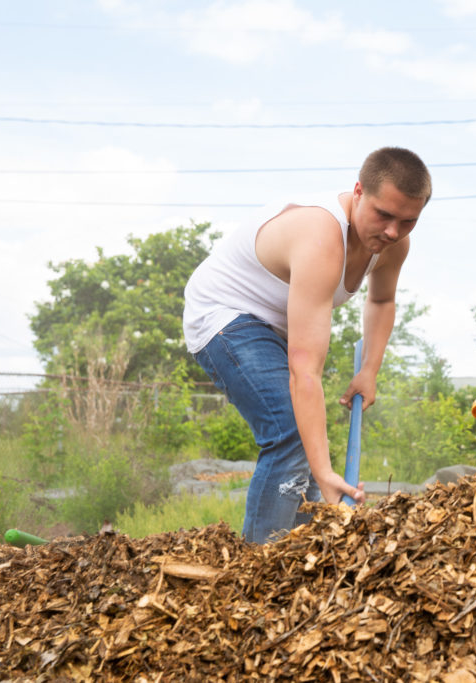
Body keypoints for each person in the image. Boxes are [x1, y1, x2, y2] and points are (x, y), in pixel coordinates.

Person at [183, 147, 432, 543]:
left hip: (274, 328)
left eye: (407, 221)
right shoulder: (320, 236)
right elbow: (305, 370)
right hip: (224, 315)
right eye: (383, 215)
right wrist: (325, 472)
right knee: (291, 433)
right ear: (358, 192)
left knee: (309, 453)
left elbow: (382, 301)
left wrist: (369, 370)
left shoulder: (392, 245)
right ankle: (259, 566)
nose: (392, 231)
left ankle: (302, 561)